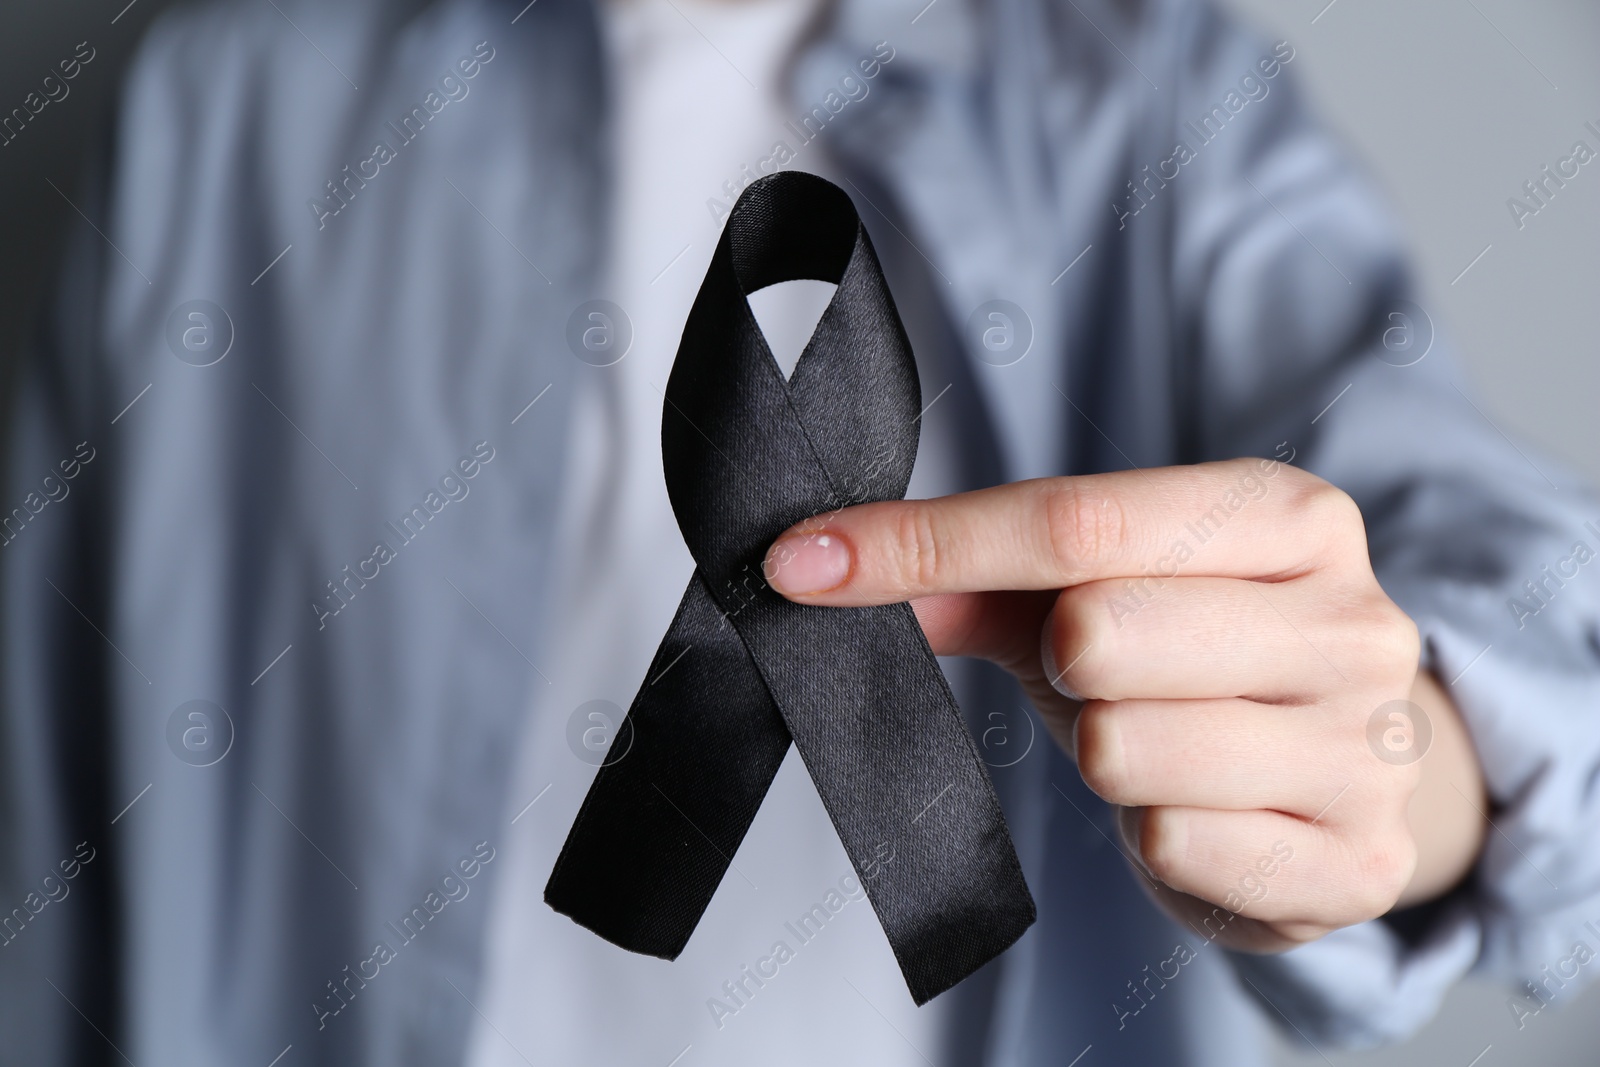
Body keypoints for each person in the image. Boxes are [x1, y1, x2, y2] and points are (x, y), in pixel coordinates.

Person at [3, 0, 1597, 1063]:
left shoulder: (1160, 98)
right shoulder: (225, 114)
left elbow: (1505, 618)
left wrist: (1404, 757)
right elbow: (47, 818)